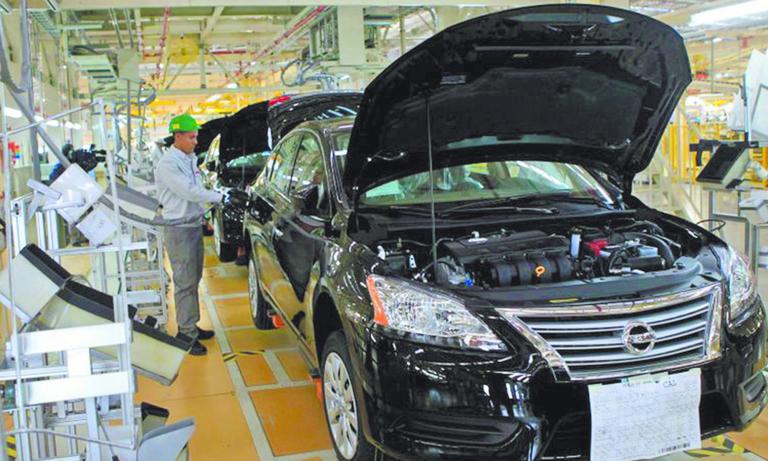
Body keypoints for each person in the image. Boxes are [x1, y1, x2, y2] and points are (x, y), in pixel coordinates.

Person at [155, 114, 224, 356]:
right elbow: (188, 191)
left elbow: (198, 188)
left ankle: (191, 324)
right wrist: (219, 197)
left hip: (192, 225)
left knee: (193, 279)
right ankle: (185, 334)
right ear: (178, 136)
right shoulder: (168, 164)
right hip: (178, 229)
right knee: (185, 282)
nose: (196, 141)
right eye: (192, 137)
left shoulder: (187, 159)